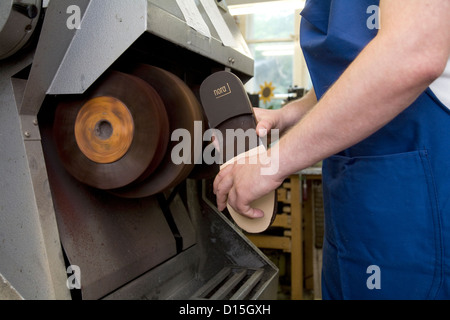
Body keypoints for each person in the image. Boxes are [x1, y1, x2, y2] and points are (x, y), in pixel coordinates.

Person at [213, 0, 450, 299]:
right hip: (352, 203)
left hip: (417, 204)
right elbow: (350, 75)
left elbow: (412, 51)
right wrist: (286, 115)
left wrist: (270, 164)